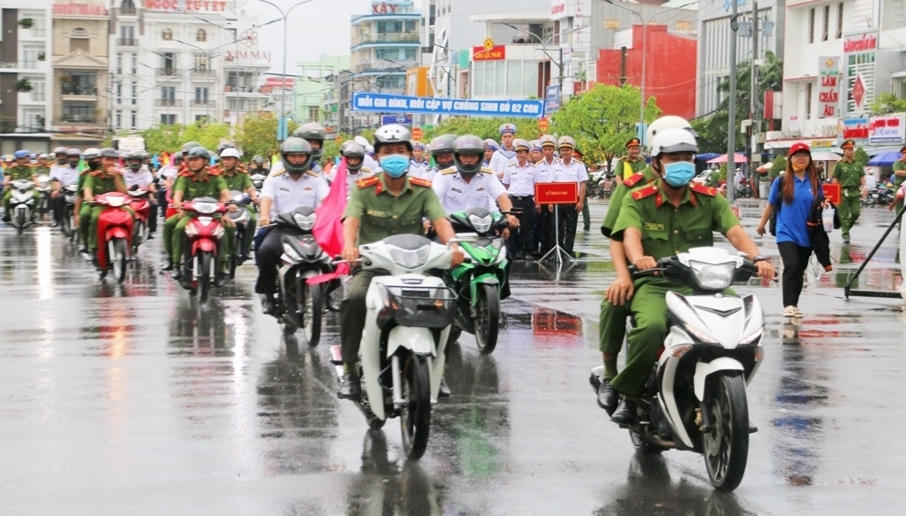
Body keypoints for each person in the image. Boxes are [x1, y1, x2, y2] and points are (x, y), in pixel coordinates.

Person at [608, 128, 774, 424]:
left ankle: (728, 394)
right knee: (650, 328)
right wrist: (639, 260)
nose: (682, 163)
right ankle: (631, 396)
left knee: (744, 324)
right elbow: (629, 235)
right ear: (657, 162)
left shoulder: (710, 199)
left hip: (705, 285)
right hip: (657, 284)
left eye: (687, 157)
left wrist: (757, 257)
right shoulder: (638, 198)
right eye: (674, 158)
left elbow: (734, 231)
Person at [338, 124, 463, 400]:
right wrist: (348, 246)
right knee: (355, 298)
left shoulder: (423, 189)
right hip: (374, 266)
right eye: (387, 151)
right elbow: (352, 220)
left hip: (415, 266)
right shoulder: (363, 189)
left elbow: (440, 219)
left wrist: (453, 245)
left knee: (446, 302)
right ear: (378, 156)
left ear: (409, 153)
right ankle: (349, 368)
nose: (394, 156)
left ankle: (437, 368)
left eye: (399, 151)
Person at [255, 137, 329, 314]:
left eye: (301, 156)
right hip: (282, 228)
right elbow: (266, 198)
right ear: (285, 157)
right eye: (293, 156)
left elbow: (326, 201)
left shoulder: (316, 179)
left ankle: (330, 293)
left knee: (332, 255)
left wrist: (333, 216)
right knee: (266, 251)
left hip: (312, 229)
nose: (297, 160)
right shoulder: (275, 178)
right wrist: (265, 216)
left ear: (308, 157)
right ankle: (267, 292)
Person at [755, 142, 828, 318]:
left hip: (808, 234)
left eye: (804, 155)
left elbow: (821, 203)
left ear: (809, 159)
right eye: (797, 155)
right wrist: (761, 224)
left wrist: (825, 206)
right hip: (785, 232)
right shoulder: (781, 181)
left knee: (799, 270)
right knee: (791, 265)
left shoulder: (815, 182)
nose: (801, 158)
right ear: (791, 159)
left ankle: (794, 304)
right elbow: (771, 204)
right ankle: (787, 305)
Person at [162, 146, 232, 285]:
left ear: (205, 161)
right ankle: (175, 263)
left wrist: (229, 205)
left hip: (213, 214)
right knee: (174, 226)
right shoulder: (184, 177)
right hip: (190, 213)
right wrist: (177, 204)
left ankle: (223, 266)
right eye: (190, 160)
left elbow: (225, 193)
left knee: (228, 228)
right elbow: (178, 194)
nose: (192, 163)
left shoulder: (216, 176)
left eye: (196, 160)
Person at [432, 135, 519, 226]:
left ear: (480, 157)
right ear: (457, 157)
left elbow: (501, 196)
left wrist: (509, 215)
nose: (469, 160)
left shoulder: (488, 175)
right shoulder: (443, 176)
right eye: (465, 156)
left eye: (473, 156)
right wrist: (429, 220)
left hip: (483, 229)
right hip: (452, 228)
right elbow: (433, 200)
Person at [81, 148, 128, 262]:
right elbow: (87, 191)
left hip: (116, 205)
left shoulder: (119, 174)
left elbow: (124, 193)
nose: (110, 163)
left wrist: (116, 177)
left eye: (113, 160)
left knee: (131, 214)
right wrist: (89, 198)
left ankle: (130, 245)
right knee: (91, 216)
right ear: (101, 160)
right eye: (107, 160)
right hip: (98, 205)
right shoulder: (92, 175)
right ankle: (92, 247)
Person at [218, 147, 258, 258]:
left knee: (252, 219)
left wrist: (254, 197)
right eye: (224, 159)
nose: (226, 162)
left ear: (236, 161)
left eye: (229, 159)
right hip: (223, 205)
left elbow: (250, 187)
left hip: (241, 204)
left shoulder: (243, 174)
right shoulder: (218, 174)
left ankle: (247, 248)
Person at [553, 136, 588, 257]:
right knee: (558, 228)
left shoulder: (579, 165)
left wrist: (581, 201)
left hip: (573, 202)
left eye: (567, 150)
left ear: (572, 151)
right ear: (560, 152)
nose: (565, 152)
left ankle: (568, 251)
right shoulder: (555, 165)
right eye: (562, 150)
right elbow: (551, 185)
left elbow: (583, 184)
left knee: (571, 228)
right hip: (558, 203)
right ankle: (560, 250)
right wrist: (551, 203)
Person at [501, 138, 536, 259]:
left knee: (527, 227)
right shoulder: (510, 168)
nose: (519, 155)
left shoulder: (533, 169)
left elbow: (536, 186)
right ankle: (513, 251)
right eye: (517, 152)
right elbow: (506, 184)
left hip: (527, 201)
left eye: (522, 152)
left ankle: (526, 251)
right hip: (513, 200)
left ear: (527, 154)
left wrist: (536, 201)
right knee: (512, 226)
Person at [831, 139, 866, 244]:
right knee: (844, 215)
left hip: (855, 192)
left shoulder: (858, 164)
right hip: (843, 192)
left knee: (856, 213)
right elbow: (835, 179)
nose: (851, 151)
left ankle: (845, 227)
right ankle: (846, 235)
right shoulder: (839, 164)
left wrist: (865, 187)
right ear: (844, 151)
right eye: (848, 149)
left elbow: (862, 177)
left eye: (852, 149)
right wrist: (835, 194)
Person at [534, 134, 560, 255]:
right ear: (542, 151)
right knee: (543, 225)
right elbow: (536, 184)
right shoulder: (538, 166)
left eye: (550, 149)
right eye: (545, 149)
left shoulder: (559, 164)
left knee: (555, 226)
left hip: (556, 198)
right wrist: (538, 202)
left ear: (553, 150)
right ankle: (544, 249)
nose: (548, 152)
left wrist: (553, 201)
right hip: (543, 199)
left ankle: (554, 248)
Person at [49, 148, 81, 228]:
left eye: (76, 157)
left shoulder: (82, 168)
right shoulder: (62, 169)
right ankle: (59, 220)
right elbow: (56, 180)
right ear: (68, 158)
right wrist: (57, 190)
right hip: (65, 190)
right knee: (58, 198)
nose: (74, 159)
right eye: (72, 157)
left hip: (79, 191)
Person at [2, 150, 36, 222]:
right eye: (26, 157)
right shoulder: (11, 168)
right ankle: (7, 215)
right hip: (14, 189)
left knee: (37, 196)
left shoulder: (30, 167)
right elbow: (7, 176)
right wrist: (5, 182)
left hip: (28, 189)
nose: (28, 159)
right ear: (19, 159)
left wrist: (37, 183)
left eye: (27, 157)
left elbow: (34, 177)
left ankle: (33, 214)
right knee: (6, 198)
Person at [892, 145, 906, 216]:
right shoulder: (898, 163)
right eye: (904, 153)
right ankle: (900, 226)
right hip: (900, 189)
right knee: (900, 210)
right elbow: (898, 172)